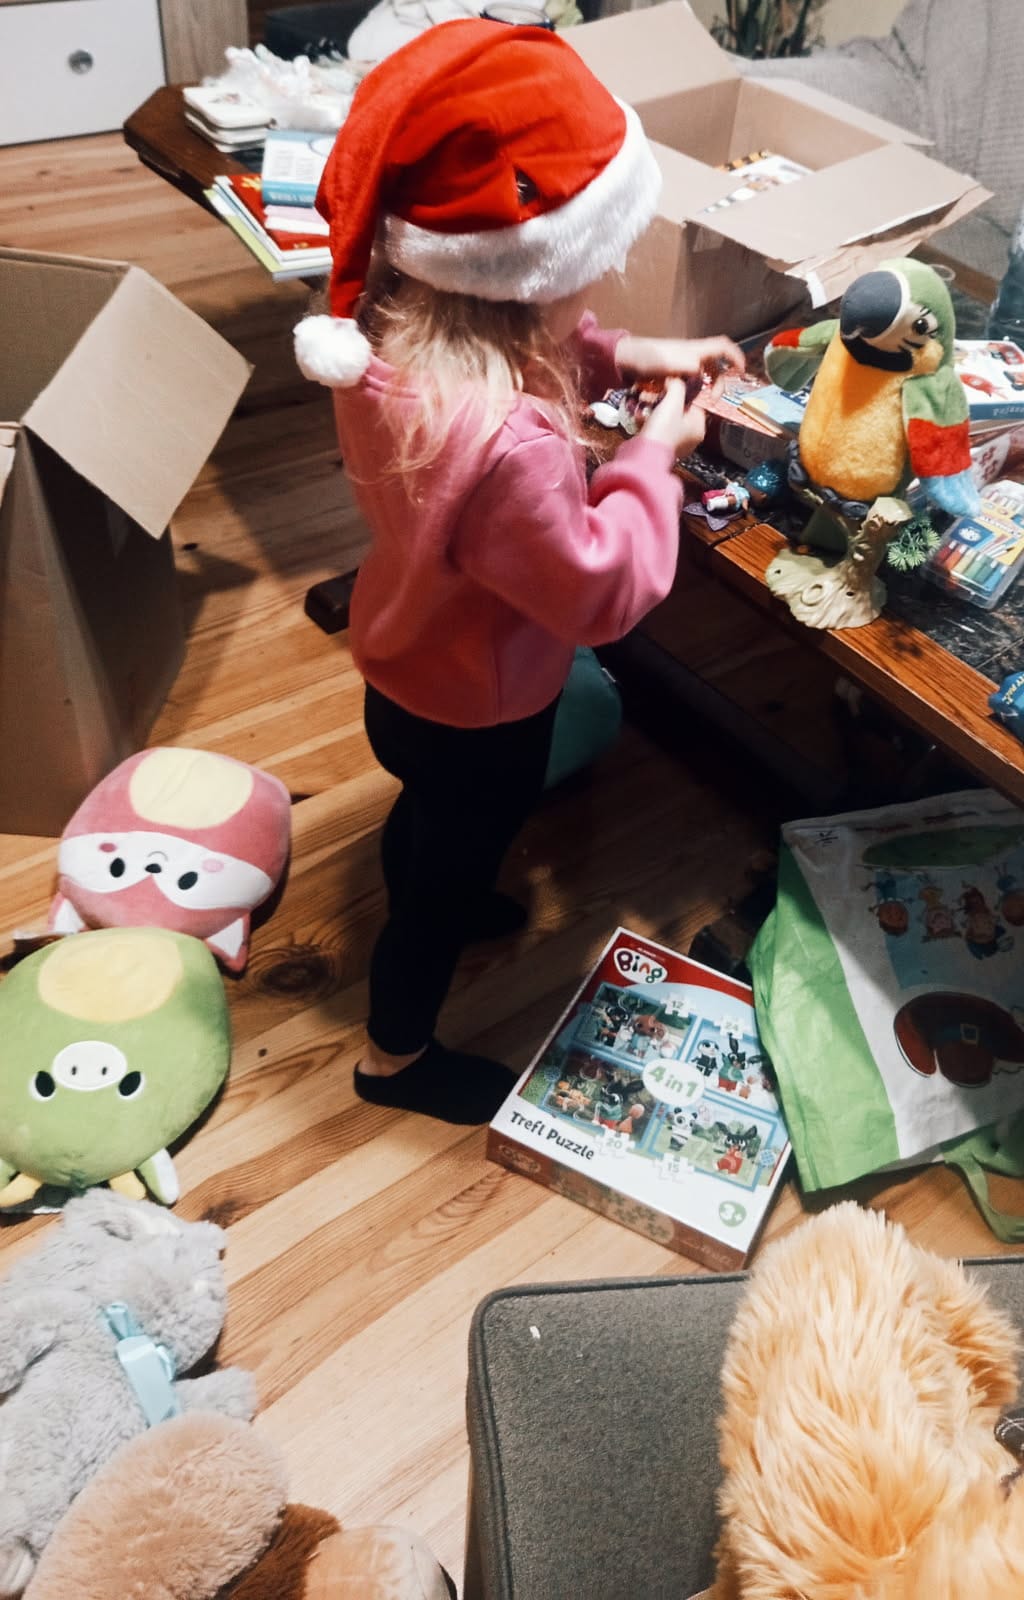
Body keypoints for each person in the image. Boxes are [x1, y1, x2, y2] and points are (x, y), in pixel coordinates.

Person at [295, 18, 744, 1125]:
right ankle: (396, 1058)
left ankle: (438, 889)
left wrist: (632, 354)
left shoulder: (388, 327)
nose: (593, 285)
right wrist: (652, 455)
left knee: (427, 819)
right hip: (483, 711)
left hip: (402, 666)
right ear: (529, 261)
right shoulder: (510, 444)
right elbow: (599, 592)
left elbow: (535, 339)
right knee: (444, 876)